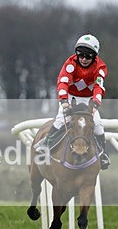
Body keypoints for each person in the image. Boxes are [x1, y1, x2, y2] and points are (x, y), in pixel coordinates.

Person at [40, 34, 110, 169]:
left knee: (98, 124)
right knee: (60, 120)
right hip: (71, 98)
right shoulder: (70, 64)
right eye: (81, 55)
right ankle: (46, 145)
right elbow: (63, 82)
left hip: (89, 100)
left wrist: (95, 103)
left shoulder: (100, 68)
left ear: (94, 57)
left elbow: (98, 86)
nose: (84, 59)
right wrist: (64, 101)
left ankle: (103, 154)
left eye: (88, 56)